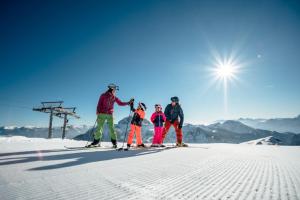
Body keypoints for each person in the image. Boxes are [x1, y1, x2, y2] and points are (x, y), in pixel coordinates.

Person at [87, 83, 133, 148]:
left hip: (104, 114)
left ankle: (97, 141)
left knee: (101, 128)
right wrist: (98, 112)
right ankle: (113, 142)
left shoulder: (110, 96)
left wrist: (128, 103)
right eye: (115, 90)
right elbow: (100, 103)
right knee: (108, 128)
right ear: (112, 89)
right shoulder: (107, 96)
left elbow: (120, 103)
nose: (115, 91)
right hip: (105, 114)